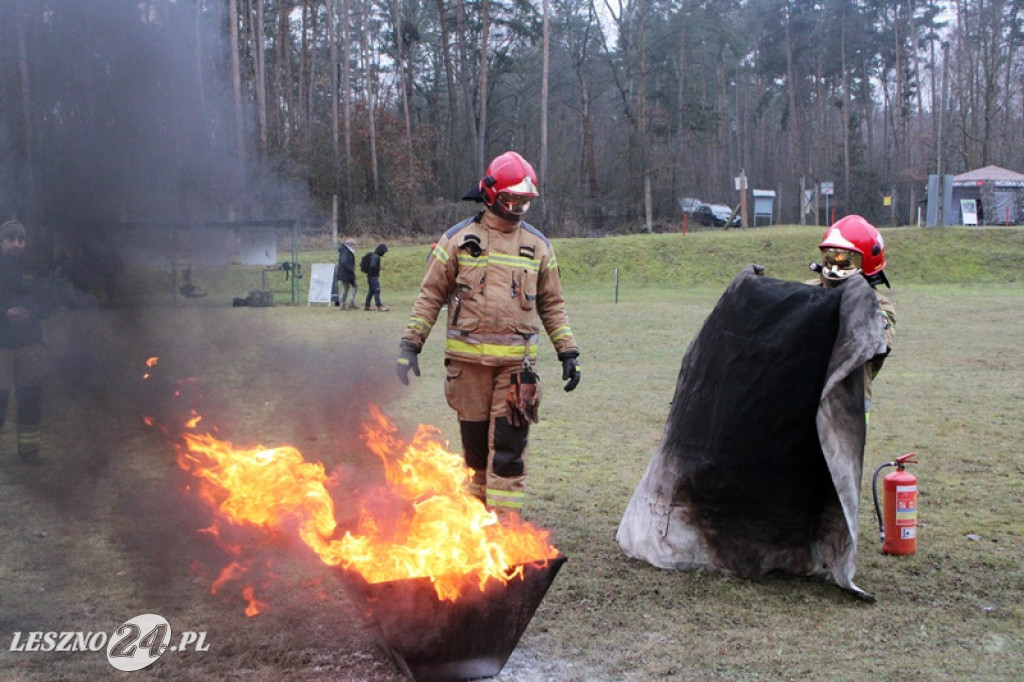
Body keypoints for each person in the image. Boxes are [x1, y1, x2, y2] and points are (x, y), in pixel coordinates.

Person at [395, 151, 581, 517]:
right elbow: (430, 295)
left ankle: (506, 528)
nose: (517, 209)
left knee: (509, 454)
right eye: (511, 200)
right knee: (476, 455)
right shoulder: (457, 240)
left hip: (515, 371)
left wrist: (568, 351)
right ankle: (478, 523)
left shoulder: (538, 247)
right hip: (467, 369)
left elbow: (553, 304)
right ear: (491, 194)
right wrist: (410, 344)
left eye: (524, 202)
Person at [807, 215, 896, 417]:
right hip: (803, 392)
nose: (835, 267)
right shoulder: (808, 290)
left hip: (848, 402)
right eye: (830, 257)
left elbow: (878, 342)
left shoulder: (879, 305)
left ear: (867, 262)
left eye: (845, 260)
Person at [0, 220, 56, 465]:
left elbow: (51, 302)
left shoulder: (35, 269)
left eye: (21, 240)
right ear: (1, 242)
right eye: (11, 239)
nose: (16, 244)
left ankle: (29, 452)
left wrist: (32, 313)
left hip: (30, 344)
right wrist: (4, 314)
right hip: (1, 346)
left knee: (31, 399)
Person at [362, 243, 389, 311]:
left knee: (371, 291)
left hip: (370, 276)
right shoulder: (376, 257)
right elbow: (372, 265)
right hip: (373, 276)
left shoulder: (373, 255)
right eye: (384, 252)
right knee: (377, 290)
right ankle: (379, 306)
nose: (384, 253)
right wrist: (376, 270)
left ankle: (367, 305)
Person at [336, 237, 358, 310]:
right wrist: (350, 269)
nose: (354, 247)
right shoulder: (345, 251)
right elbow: (344, 261)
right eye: (353, 245)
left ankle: (351, 302)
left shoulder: (347, 251)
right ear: (350, 244)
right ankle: (342, 304)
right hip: (345, 273)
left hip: (348, 273)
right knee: (346, 287)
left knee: (355, 285)